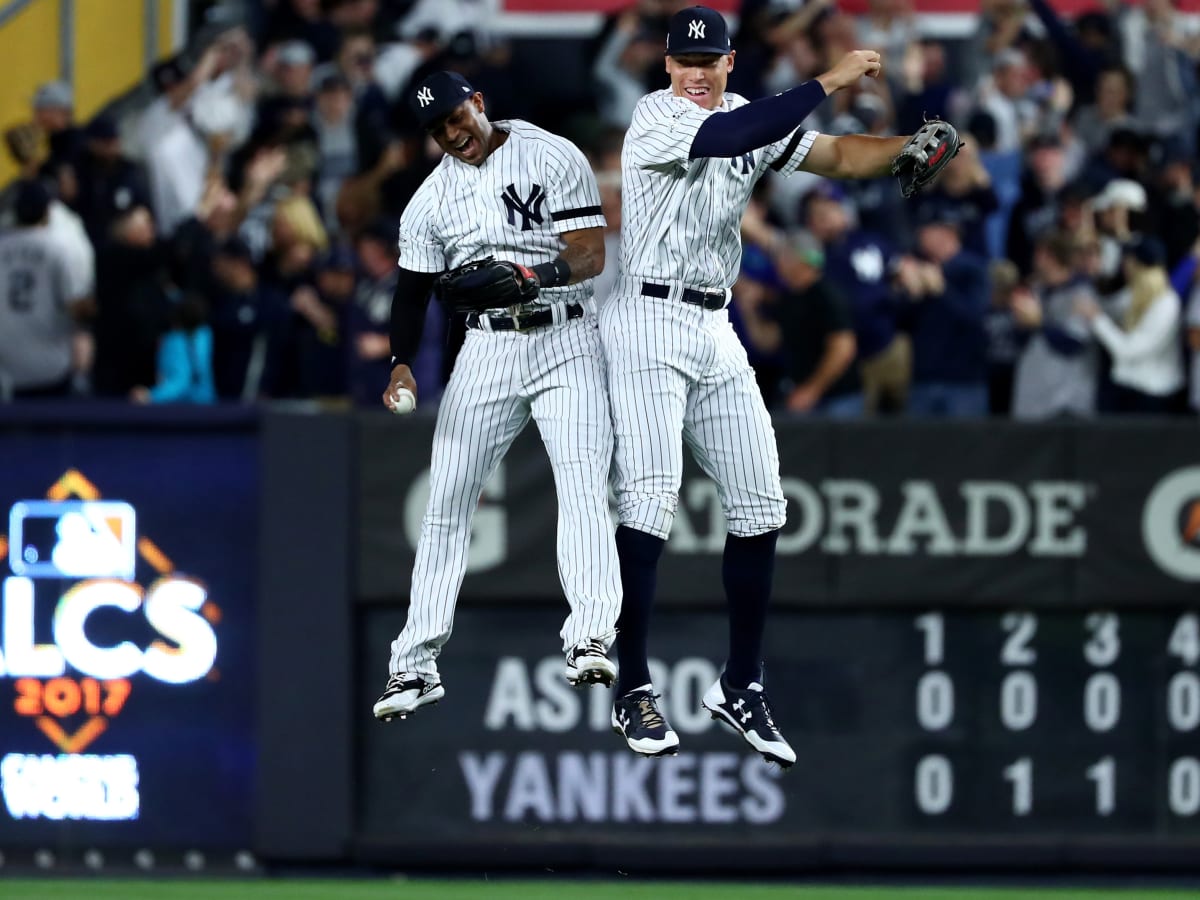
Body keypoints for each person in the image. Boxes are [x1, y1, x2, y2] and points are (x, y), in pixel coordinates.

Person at [601, 5, 953, 766]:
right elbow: (734, 139)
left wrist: (910, 148)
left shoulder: (746, 113)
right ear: (667, 66)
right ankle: (632, 686)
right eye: (684, 61)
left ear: (729, 64)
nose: (696, 73)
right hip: (647, 315)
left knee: (763, 504)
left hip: (712, 321)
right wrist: (829, 76)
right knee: (652, 499)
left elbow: (842, 158)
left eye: (710, 61)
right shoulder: (658, 116)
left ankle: (741, 685)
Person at [372, 71, 621, 721]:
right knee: (447, 499)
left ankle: (591, 634)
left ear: (478, 104)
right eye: (437, 131)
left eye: (457, 118)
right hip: (487, 349)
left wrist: (529, 276)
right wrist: (401, 363)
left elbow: (592, 254)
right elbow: (412, 292)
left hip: (566, 334)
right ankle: (413, 665)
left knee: (583, 486)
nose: (453, 135)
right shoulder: (428, 203)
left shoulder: (551, 153)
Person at [0, 180, 91, 399]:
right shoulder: (59, 247)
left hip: (7, 365)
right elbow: (76, 306)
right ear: (47, 212)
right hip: (52, 363)